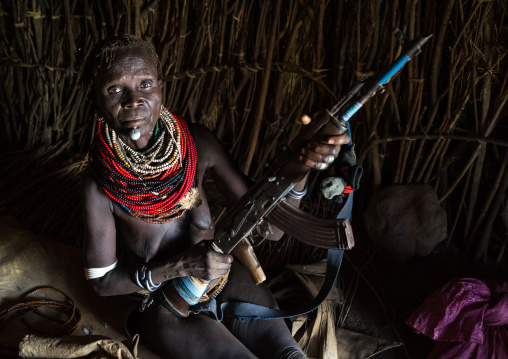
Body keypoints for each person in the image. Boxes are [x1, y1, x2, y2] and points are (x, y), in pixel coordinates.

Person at [81, 34, 351, 359]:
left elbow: (273, 227)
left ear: (161, 87)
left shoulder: (197, 144)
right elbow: (102, 283)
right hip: (167, 305)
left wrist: (302, 165)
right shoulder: (100, 183)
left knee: (290, 356)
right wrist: (179, 266)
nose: (133, 100)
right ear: (97, 99)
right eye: (115, 90)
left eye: (145, 84)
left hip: (223, 278)